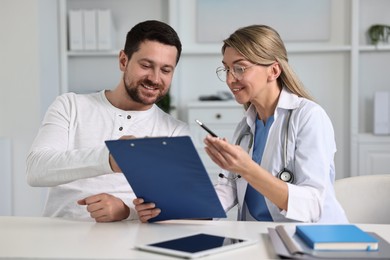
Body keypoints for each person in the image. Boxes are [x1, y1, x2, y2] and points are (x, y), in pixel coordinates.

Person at [134, 24, 348, 223]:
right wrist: (169, 209)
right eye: (226, 69)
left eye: (240, 68)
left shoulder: (308, 117)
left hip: (311, 239)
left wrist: (246, 168)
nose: (229, 79)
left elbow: (313, 205)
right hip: (257, 236)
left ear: (273, 71)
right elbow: (227, 190)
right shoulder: (246, 127)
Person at [26, 20, 190, 222]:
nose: (155, 79)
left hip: (132, 245)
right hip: (62, 237)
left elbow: (175, 206)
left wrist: (126, 210)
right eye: (146, 65)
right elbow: (36, 170)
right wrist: (109, 159)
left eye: (166, 70)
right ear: (123, 60)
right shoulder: (70, 106)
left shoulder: (175, 131)